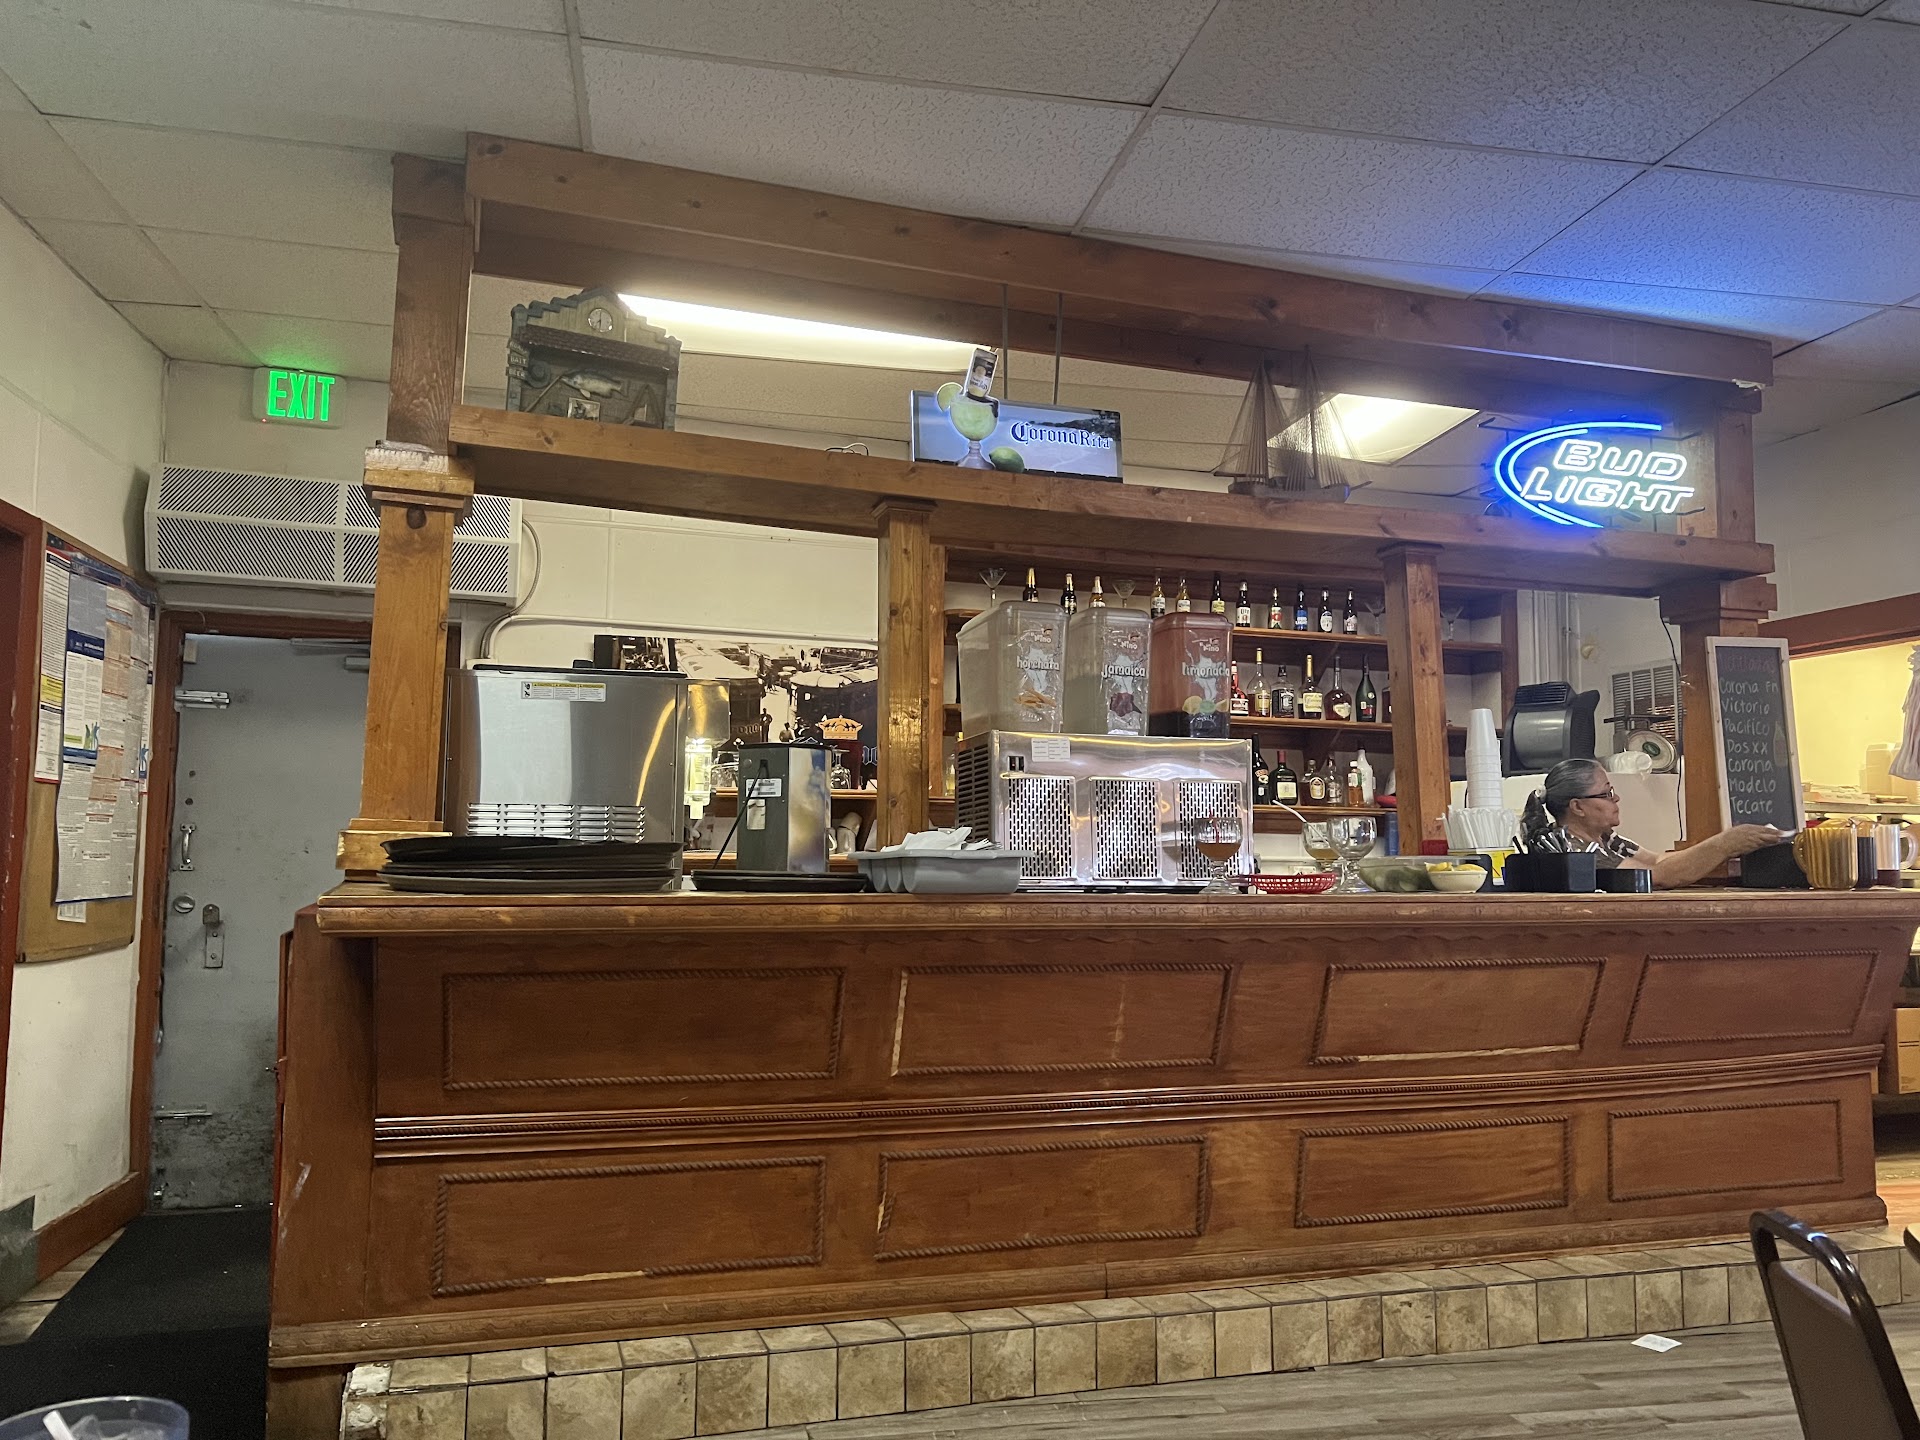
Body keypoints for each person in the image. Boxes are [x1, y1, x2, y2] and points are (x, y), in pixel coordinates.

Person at [1519, 757, 1787, 889]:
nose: (1616, 799)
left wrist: (1728, 845)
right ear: (1577, 807)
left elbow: (1656, 860)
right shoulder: (1574, 850)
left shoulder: (1606, 838)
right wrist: (1725, 844)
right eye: (1607, 794)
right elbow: (1656, 876)